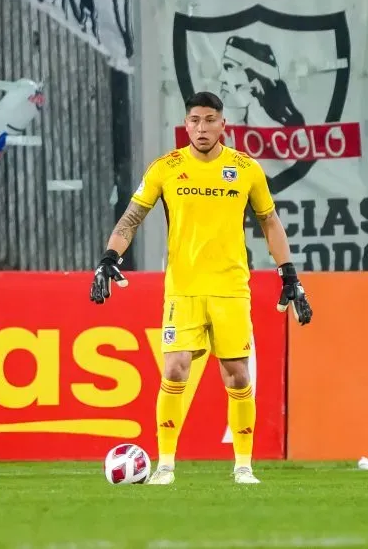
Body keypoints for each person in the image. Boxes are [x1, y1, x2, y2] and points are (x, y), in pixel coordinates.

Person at [90, 91, 313, 485]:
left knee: (238, 376)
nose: (202, 127)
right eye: (195, 120)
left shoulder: (245, 169)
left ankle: (243, 466)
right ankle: (165, 466)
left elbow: (270, 222)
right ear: (186, 124)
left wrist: (289, 274)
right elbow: (132, 217)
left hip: (230, 288)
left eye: (210, 120)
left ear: (223, 123)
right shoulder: (167, 167)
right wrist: (110, 257)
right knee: (175, 368)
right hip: (183, 289)